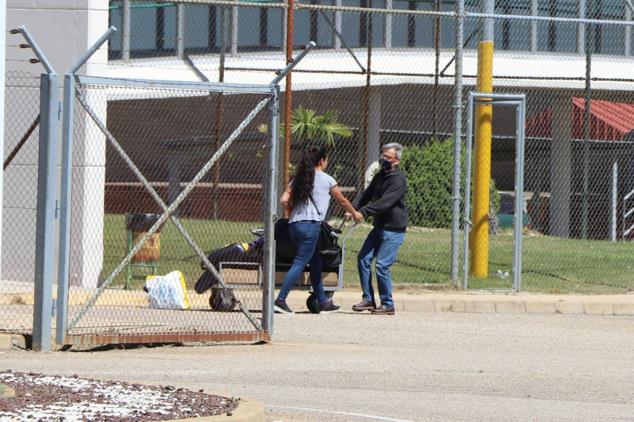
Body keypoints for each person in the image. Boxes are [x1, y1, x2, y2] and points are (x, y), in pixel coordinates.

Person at [274, 146, 363, 314]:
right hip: (311, 225)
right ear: (322, 160)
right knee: (300, 261)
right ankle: (280, 300)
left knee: (315, 261)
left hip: (294, 224)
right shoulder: (327, 179)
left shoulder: (298, 179)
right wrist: (354, 213)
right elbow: (342, 201)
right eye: (326, 159)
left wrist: (296, 211)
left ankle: (323, 301)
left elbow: (284, 200)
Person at [347, 143, 408, 315]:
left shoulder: (398, 180)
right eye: (383, 155)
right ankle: (368, 299)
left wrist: (363, 212)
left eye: (388, 157)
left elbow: (385, 203)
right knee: (363, 259)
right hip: (379, 227)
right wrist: (353, 208)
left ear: (396, 160)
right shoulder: (381, 175)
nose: (384, 159)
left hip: (393, 230)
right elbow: (365, 194)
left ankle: (388, 304)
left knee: (381, 265)